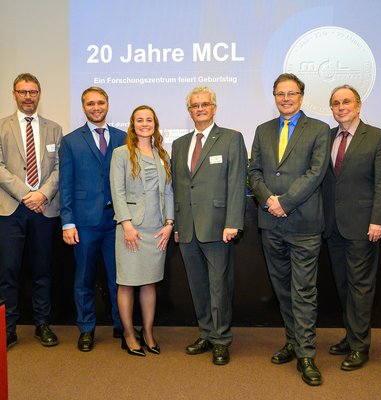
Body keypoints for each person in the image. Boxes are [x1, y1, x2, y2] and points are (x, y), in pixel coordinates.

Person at [248, 73, 330, 386]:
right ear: (274, 96)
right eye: (280, 94)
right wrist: (268, 199)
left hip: (304, 222)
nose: (286, 98)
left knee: (304, 290)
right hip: (270, 222)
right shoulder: (262, 130)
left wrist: (286, 202)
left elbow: (315, 173)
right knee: (283, 288)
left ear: (301, 96)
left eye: (291, 93)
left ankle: (307, 354)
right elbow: (253, 171)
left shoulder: (319, 130)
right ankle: (293, 341)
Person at [171, 86, 247, 365]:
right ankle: (206, 332)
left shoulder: (231, 139)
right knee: (198, 285)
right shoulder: (179, 145)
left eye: (205, 104)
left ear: (214, 108)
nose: (200, 109)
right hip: (188, 228)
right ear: (189, 111)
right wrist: (177, 224)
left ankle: (221, 340)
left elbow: (237, 183)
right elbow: (179, 188)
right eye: (194, 105)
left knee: (219, 286)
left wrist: (233, 222)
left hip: (218, 227)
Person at [322, 84, 381, 371]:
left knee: (360, 287)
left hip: (364, 226)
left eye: (346, 102)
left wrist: (378, 219)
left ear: (359, 105)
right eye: (336, 103)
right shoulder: (326, 137)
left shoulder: (377, 137)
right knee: (342, 285)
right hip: (333, 225)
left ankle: (360, 346)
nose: (341, 107)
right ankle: (351, 336)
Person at [59, 87, 125, 351]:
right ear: (83, 107)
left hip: (116, 220)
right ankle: (86, 328)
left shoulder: (122, 137)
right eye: (90, 104)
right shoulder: (71, 140)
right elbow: (66, 183)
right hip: (84, 222)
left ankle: (122, 324)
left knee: (118, 277)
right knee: (84, 278)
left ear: (107, 104)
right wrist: (67, 221)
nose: (95, 107)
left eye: (100, 102)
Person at [0, 73, 62, 349]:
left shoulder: (54, 129)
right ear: (14, 94)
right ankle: (8, 328)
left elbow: (61, 168)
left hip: (44, 209)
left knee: (42, 270)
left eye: (33, 92)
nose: (28, 97)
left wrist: (42, 194)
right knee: (8, 271)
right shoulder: (2, 127)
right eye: (23, 92)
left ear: (39, 94)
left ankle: (42, 324)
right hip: (11, 209)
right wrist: (27, 195)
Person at [110, 105, 174, 356]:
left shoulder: (162, 154)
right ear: (132, 124)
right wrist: (126, 225)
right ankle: (128, 334)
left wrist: (169, 224)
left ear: (155, 124)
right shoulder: (121, 153)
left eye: (149, 120)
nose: (144, 123)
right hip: (131, 229)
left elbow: (169, 191)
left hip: (156, 230)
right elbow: (118, 191)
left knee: (149, 283)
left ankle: (147, 332)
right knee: (126, 283)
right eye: (140, 120)